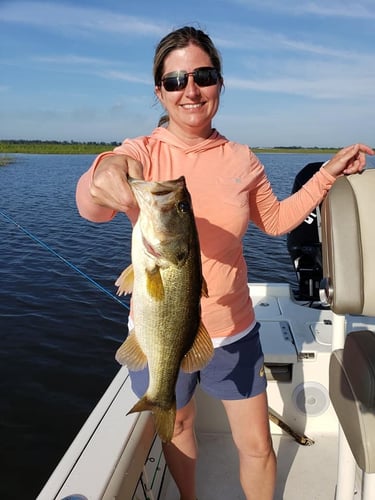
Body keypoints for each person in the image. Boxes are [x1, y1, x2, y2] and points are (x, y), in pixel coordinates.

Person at [76, 26, 373, 500]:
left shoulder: (242, 158)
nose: (190, 90)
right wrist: (105, 169)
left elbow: (275, 221)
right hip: (156, 333)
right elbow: (91, 207)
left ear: (219, 83)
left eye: (203, 75)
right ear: (160, 92)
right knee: (179, 424)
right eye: (175, 81)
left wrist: (326, 175)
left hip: (233, 330)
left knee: (255, 445)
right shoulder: (142, 152)